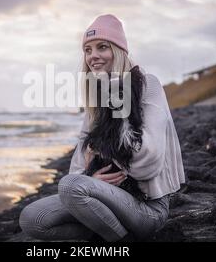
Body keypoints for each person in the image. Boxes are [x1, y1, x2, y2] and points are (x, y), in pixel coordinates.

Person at [19, 14, 185, 242]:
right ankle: (107, 229)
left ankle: (120, 243)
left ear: (118, 51)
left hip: (146, 207)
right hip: (104, 200)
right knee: (32, 218)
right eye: (87, 50)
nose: (92, 56)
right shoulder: (97, 95)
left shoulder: (147, 85)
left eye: (102, 47)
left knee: (69, 187)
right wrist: (92, 178)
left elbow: (148, 160)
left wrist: (103, 148)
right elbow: (79, 164)